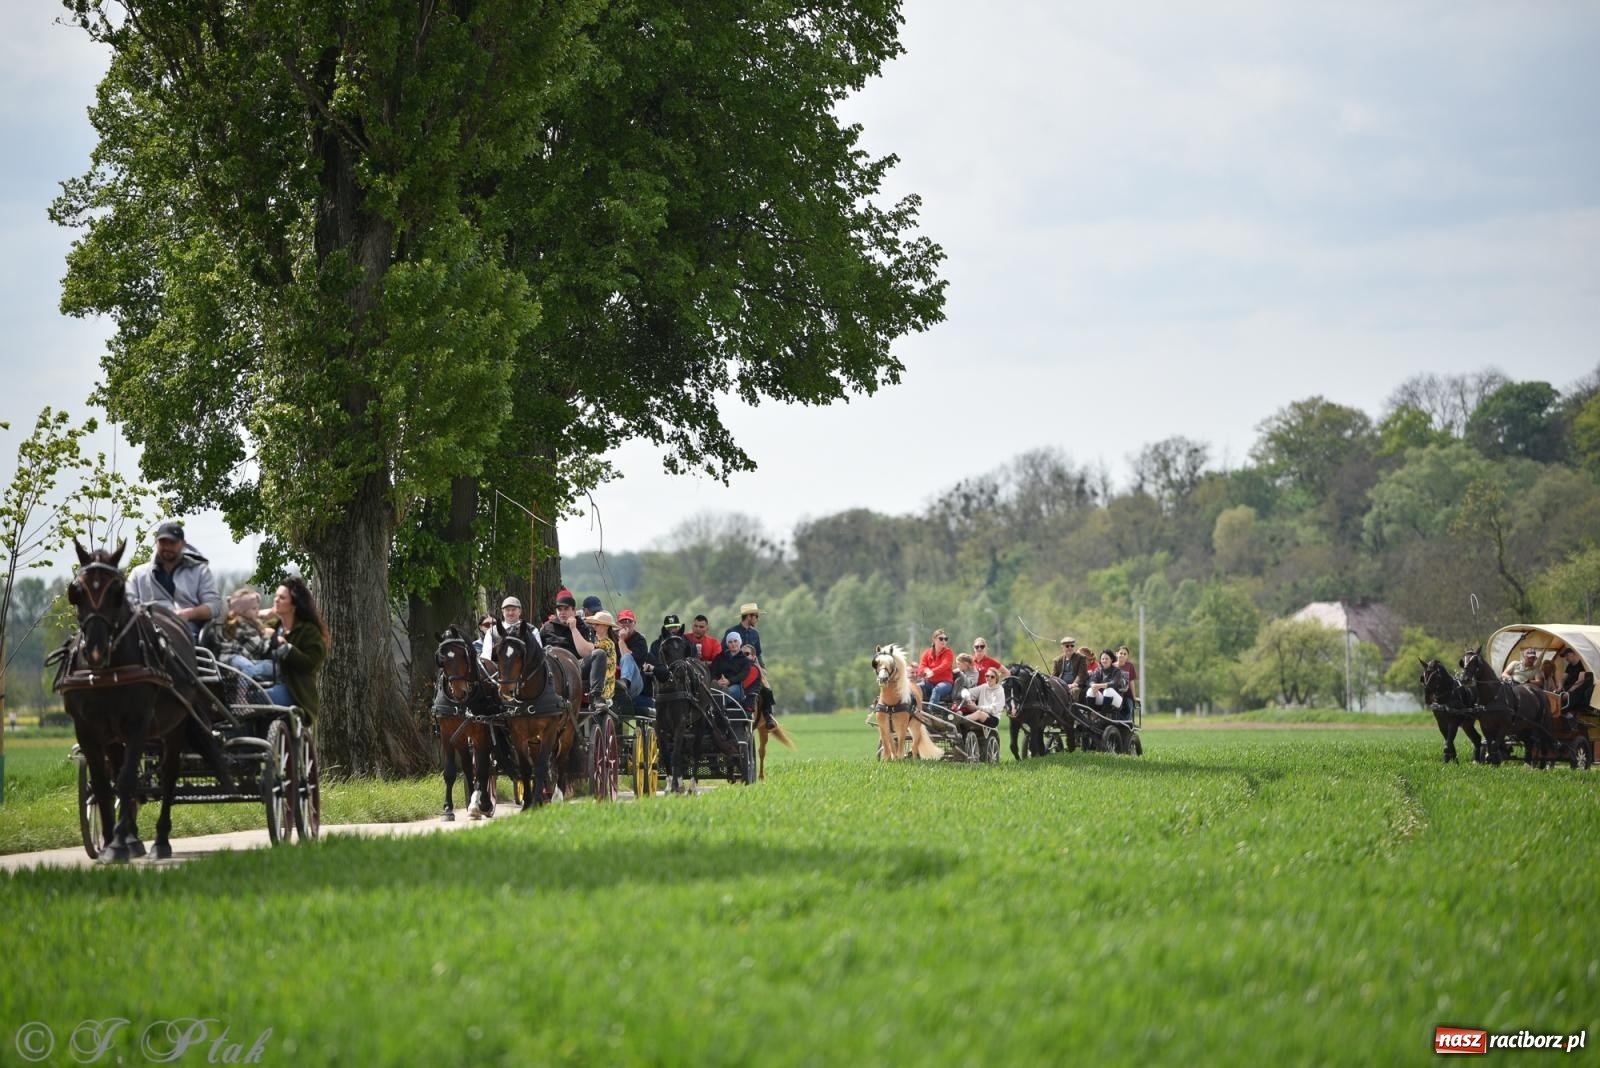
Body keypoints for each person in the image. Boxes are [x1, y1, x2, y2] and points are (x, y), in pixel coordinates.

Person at [127, 520, 222, 638]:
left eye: (172, 542)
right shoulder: (138, 574)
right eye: (163, 542)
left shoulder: (199, 571)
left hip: (187, 631)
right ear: (156, 542)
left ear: (183, 544)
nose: (167, 547)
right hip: (146, 632)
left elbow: (214, 606)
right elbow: (127, 603)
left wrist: (188, 614)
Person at [260, 576, 329, 718]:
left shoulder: (309, 631)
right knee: (238, 704)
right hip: (267, 683)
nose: (276, 600)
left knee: (255, 698)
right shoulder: (273, 626)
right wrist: (260, 615)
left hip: (295, 692)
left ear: (294, 605)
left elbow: (311, 664)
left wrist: (288, 649)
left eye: (282, 598)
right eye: (276, 596)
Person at [540, 588, 607, 709]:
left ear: (574, 610)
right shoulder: (547, 628)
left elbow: (587, 652)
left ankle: (595, 698)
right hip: (552, 668)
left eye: (566, 609)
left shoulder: (584, 627)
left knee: (599, 654)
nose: (562, 612)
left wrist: (573, 629)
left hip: (576, 666)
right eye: (559, 609)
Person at [617, 609, 656, 709]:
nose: (626, 624)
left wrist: (621, 640)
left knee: (627, 657)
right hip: (615, 678)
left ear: (634, 623)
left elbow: (630, 660)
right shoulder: (612, 637)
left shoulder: (640, 640)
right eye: (622, 621)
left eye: (629, 621)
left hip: (635, 683)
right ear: (617, 624)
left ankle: (624, 683)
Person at [710, 631, 760, 708]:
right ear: (727, 644)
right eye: (730, 642)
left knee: (726, 692)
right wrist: (717, 681)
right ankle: (717, 691)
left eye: (735, 641)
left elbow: (743, 675)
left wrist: (729, 681)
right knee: (713, 687)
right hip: (719, 683)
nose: (733, 644)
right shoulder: (720, 657)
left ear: (740, 642)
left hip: (736, 686)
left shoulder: (745, 660)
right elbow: (712, 670)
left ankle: (719, 700)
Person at [585, 611, 619, 711]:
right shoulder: (598, 641)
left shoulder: (607, 643)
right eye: (593, 624)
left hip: (604, 686)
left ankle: (597, 698)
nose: (594, 627)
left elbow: (588, 649)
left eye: (597, 624)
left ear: (606, 626)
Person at [1085, 649, 1128, 718]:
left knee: (1108, 690)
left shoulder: (1117, 671)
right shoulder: (1098, 670)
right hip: (1103, 698)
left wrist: (1099, 686)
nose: (1104, 661)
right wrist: (1093, 686)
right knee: (1090, 690)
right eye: (1103, 659)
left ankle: (1103, 717)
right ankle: (1091, 716)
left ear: (1111, 659)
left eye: (1106, 659)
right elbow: (1091, 680)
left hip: (1116, 700)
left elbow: (1113, 683)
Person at [916, 629, 955, 705]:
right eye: (941, 639)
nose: (943, 641)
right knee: (915, 687)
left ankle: (931, 711)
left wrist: (932, 672)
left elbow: (945, 665)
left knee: (937, 689)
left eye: (946, 639)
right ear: (934, 640)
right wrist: (926, 670)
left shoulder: (948, 652)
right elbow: (921, 668)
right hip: (929, 683)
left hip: (945, 683)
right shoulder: (927, 653)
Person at [1559, 646, 1594, 716]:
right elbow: (1563, 678)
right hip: (1568, 687)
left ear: (1573, 654)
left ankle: (1566, 714)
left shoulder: (1582, 664)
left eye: (1567, 655)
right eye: (1565, 656)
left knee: (1567, 700)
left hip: (1577, 689)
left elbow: (1580, 681)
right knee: (1557, 694)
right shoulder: (1569, 666)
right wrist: (1560, 686)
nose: (1566, 658)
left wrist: (1568, 692)